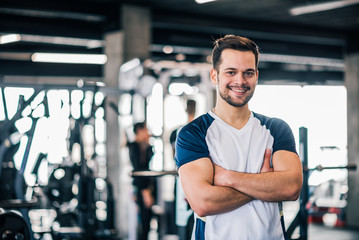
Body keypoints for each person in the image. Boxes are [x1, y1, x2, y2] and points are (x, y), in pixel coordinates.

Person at [174, 35, 303, 240]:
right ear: (215, 76)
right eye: (231, 72)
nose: (240, 81)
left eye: (248, 73)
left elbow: (291, 188)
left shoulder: (276, 129)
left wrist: (227, 178)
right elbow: (203, 202)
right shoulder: (193, 133)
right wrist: (266, 184)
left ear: (257, 76)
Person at [127, 122, 156, 240]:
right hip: (142, 188)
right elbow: (138, 171)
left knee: (147, 221)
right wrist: (145, 192)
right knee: (144, 221)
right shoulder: (134, 147)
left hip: (147, 187)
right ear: (139, 131)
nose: (148, 132)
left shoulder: (144, 147)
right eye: (145, 130)